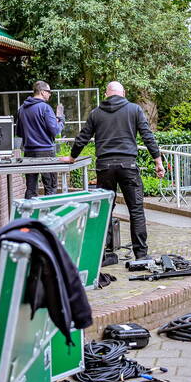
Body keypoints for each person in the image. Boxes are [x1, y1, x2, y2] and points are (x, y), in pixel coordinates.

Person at [63, 81, 165, 261]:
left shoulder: (96, 113)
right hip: (128, 166)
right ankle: (141, 255)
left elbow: (83, 137)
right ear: (123, 93)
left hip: (104, 167)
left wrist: (72, 157)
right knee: (136, 210)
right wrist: (158, 161)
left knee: (105, 210)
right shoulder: (134, 110)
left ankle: (103, 255)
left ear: (106, 94)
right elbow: (147, 135)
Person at [15, 80, 64, 198]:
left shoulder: (22, 109)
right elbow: (55, 131)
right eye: (49, 91)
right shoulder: (45, 108)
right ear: (42, 92)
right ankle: (49, 215)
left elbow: (19, 132)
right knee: (50, 187)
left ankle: (30, 215)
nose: (50, 94)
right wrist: (61, 119)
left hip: (28, 152)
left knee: (31, 188)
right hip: (46, 152)